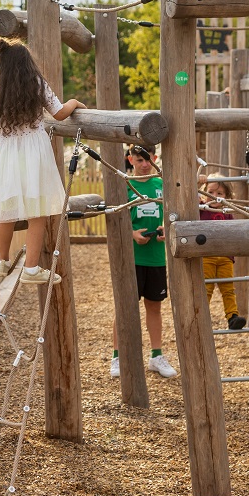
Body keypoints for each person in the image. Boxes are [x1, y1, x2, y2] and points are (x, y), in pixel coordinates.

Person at [0, 38, 83, 286]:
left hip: (6, 155)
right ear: (27, 65)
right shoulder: (37, 85)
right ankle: (32, 267)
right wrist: (75, 102)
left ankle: (2, 261)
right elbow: (59, 113)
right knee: (37, 212)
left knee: (7, 210)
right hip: (34, 154)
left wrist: (6, 150)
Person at [110, 144, 178, 380]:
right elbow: (116, 218)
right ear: (130, 160)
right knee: (125, 307)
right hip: (132, 258)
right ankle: (118, 356)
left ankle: (156, 355)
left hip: (156, 256)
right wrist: (131, 234)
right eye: (139, 160)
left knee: (155, 306)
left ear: (155, 158)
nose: (145, 164)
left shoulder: (161, 185)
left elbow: (171, 214)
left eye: (148, 159)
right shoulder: (124, 185)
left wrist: (164, 229)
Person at [200, 178, 246, 330]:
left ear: (226, 196)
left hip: (225, 257)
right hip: (207, 256)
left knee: (228, 288)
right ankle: (201, 317)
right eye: (210, 192)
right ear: (203, 193)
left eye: (219, 193)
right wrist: (197, 182)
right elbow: (186, 192)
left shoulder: (227, 212)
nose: (214, 196)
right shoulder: (201, 208)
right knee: (206, 288)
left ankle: (232, 317)